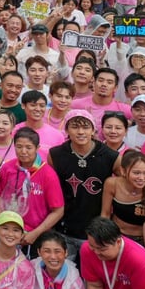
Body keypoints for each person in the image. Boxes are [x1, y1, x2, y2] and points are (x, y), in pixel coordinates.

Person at [48, 110, 121, 258]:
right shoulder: (55, 154)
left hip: (94, 232)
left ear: (93, 130)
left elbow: (123, 184)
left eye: (86, 127)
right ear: (67, 129)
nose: (81, 132)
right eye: (75, 126)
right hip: (63, 228)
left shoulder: (110, 156)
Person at [100, 150, 145, 243]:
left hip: (144, 238)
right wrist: (103, 237)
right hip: (117, 236)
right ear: (123, 171)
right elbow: (105, 214)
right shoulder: (112, 184)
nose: (142, 178)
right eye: (136, 173)